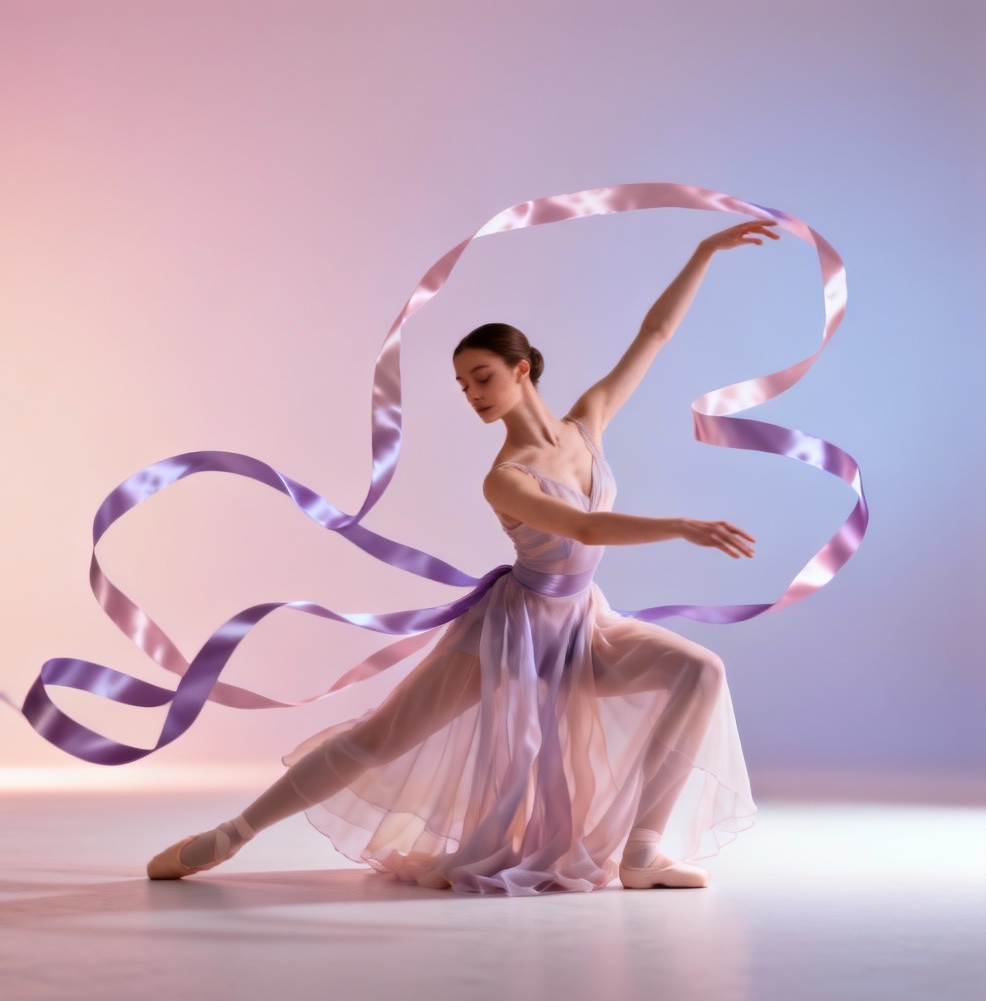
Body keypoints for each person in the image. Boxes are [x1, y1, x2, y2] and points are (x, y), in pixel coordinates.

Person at [147, 219, 778, 894]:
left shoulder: (587, 423)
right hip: (510, 632)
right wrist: (680, 524)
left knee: (699, 672)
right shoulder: (504, 477)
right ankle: (230, 836)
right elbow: (583, 530)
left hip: (583, 627)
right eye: (463, 385)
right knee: (380, 739)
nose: (473, 395)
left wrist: (705, 253)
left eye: (482, 377)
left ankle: (643, 850)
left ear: (522, 369)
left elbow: (653, 335)